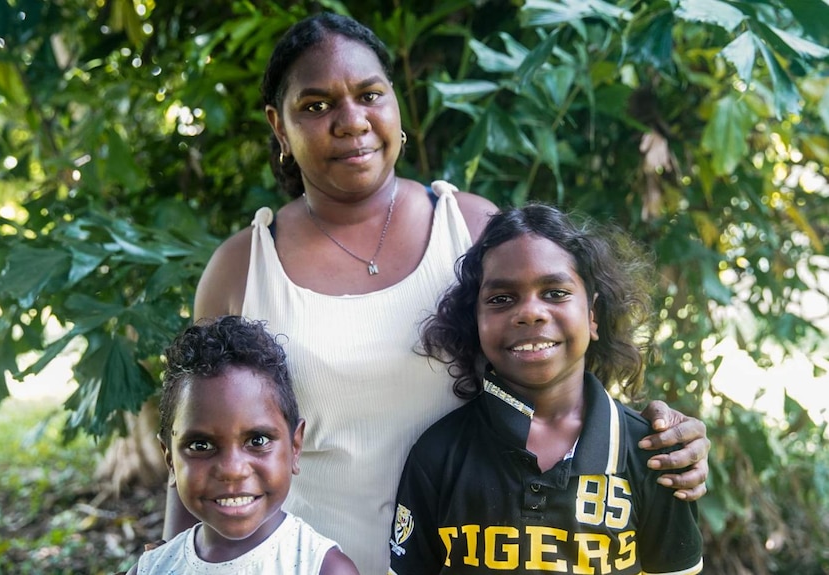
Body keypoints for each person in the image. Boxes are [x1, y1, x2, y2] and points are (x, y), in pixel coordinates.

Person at [168, 12, 711, 575]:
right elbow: (195, 444)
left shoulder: (471, 228)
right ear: (278, 127)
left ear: (396, 106)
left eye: (369, 94)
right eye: (316, 105)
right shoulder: (241, 269)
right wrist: (169, 564)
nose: (351, 121)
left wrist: (664, 441)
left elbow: (563, 373)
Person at [388, 203, 704, 574]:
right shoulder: (438, 454)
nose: (531, 313)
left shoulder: (652, 455)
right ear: (475, 322)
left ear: (593, 316)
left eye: (555, 292)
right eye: (501, 299)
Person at [127, 316, 358, 574]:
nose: (232, 470)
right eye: (201, 446)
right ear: (170, 460)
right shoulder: (153, 568)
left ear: (294, 447)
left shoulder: (323, 569)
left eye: (257, 441)